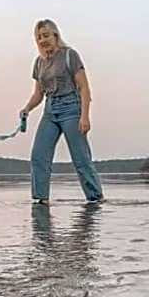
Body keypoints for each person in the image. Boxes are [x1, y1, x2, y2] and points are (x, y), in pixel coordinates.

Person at [20, 19, 104, 204]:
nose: (43, 40)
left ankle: (95, 199)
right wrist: (26, 109)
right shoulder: (39, 63)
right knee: (38, 156)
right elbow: (38, 93)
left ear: (55, 35)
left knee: (81, 159)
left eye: (46, 35)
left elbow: (84, 88)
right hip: (50, 110)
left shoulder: (69, 55)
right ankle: (40, 200)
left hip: (71, 108)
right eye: (39, 37)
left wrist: (85, 116)